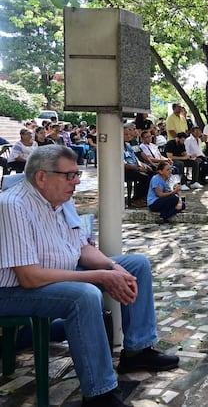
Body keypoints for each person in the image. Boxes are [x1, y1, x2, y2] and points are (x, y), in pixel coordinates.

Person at [0, 146, 178, 407]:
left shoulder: (62, 198)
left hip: (62, 272)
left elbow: (81, 248)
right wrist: (100, 277)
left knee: (136, 265)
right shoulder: (12, 206)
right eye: (70, 175)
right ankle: (99, 393)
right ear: (41, 177)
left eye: (76, 174)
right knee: (83, 295)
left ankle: (138, 350)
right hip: (15, 290)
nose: (77, 181)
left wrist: (112, 268)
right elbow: (29, 277)